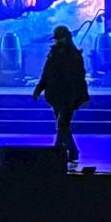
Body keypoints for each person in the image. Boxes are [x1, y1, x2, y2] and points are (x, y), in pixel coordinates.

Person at [33, 25, 90, 163]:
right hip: (55, 94)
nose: (58, 41)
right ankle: (72, 151)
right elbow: (47, 73)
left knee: (62, 123)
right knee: (63, 125)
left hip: (69, 95)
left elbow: (79, 77)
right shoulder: (54, 54)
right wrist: (39, 89)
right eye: (57, 39)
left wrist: (83, 96)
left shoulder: (74, 55)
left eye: (60, 38)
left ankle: (57, 150)